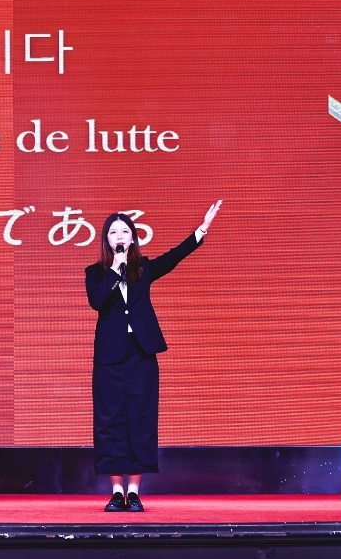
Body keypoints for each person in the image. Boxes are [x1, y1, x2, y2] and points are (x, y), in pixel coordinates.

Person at [86, 202, 222, 513]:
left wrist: (202, 229)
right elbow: (97, 301)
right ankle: (116, 492)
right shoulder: (95, 273)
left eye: (124, 232)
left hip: (141, 352)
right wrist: (114, 268)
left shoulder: (144, 269)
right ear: (106, 240)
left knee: (140, 418)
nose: (119, 236)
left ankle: (134, 492)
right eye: (113, 233)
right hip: (109, 357)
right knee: (110, 420)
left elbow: (175, 256)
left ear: (133, 237)